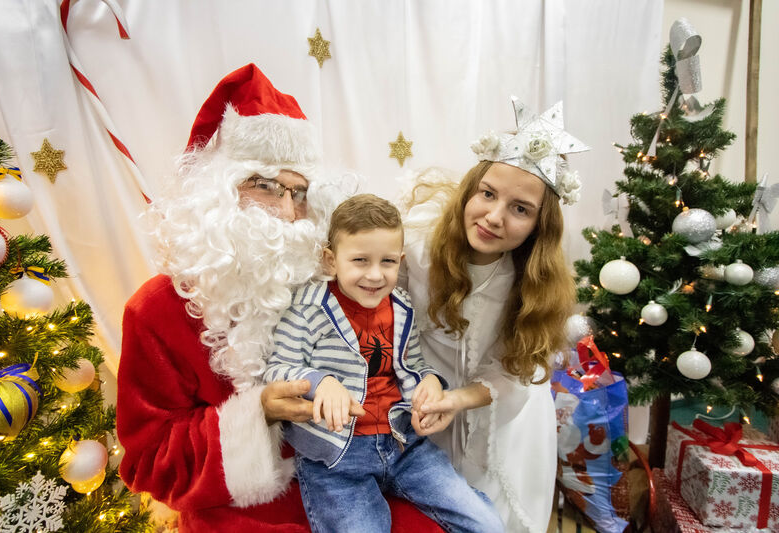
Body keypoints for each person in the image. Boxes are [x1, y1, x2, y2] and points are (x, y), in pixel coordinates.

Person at [116, 64, 442, 533]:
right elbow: (150, 464)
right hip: (242, 511)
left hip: (357, 478)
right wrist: (259, 413)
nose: (288, 214)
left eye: (300, 192)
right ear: (216, 194)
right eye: (265, 186)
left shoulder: (337, 283)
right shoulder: (156, 310)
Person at [400, 96, 590, 533]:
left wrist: (460, 399)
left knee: (494, 515)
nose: (494, 216)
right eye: (487, 194)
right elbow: (390, 320)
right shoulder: (418, 248)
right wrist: (430, 388)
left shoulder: (532, 286)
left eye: (520, 209)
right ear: (472, 190)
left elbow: (520, 370)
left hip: (502, 416)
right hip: (424, 402)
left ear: (540, 225)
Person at [264, 194, 504, 533]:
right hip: (337, 458)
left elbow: (414, 366)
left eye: (387, 262)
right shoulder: (308, 307)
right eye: (360, 260)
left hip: (404, 444)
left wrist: (431, 382)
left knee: (486, 523)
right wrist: (321, 382)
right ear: (331, 261)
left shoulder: (401, 306)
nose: (375, 275)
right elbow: (277, 368)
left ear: (401, 261)